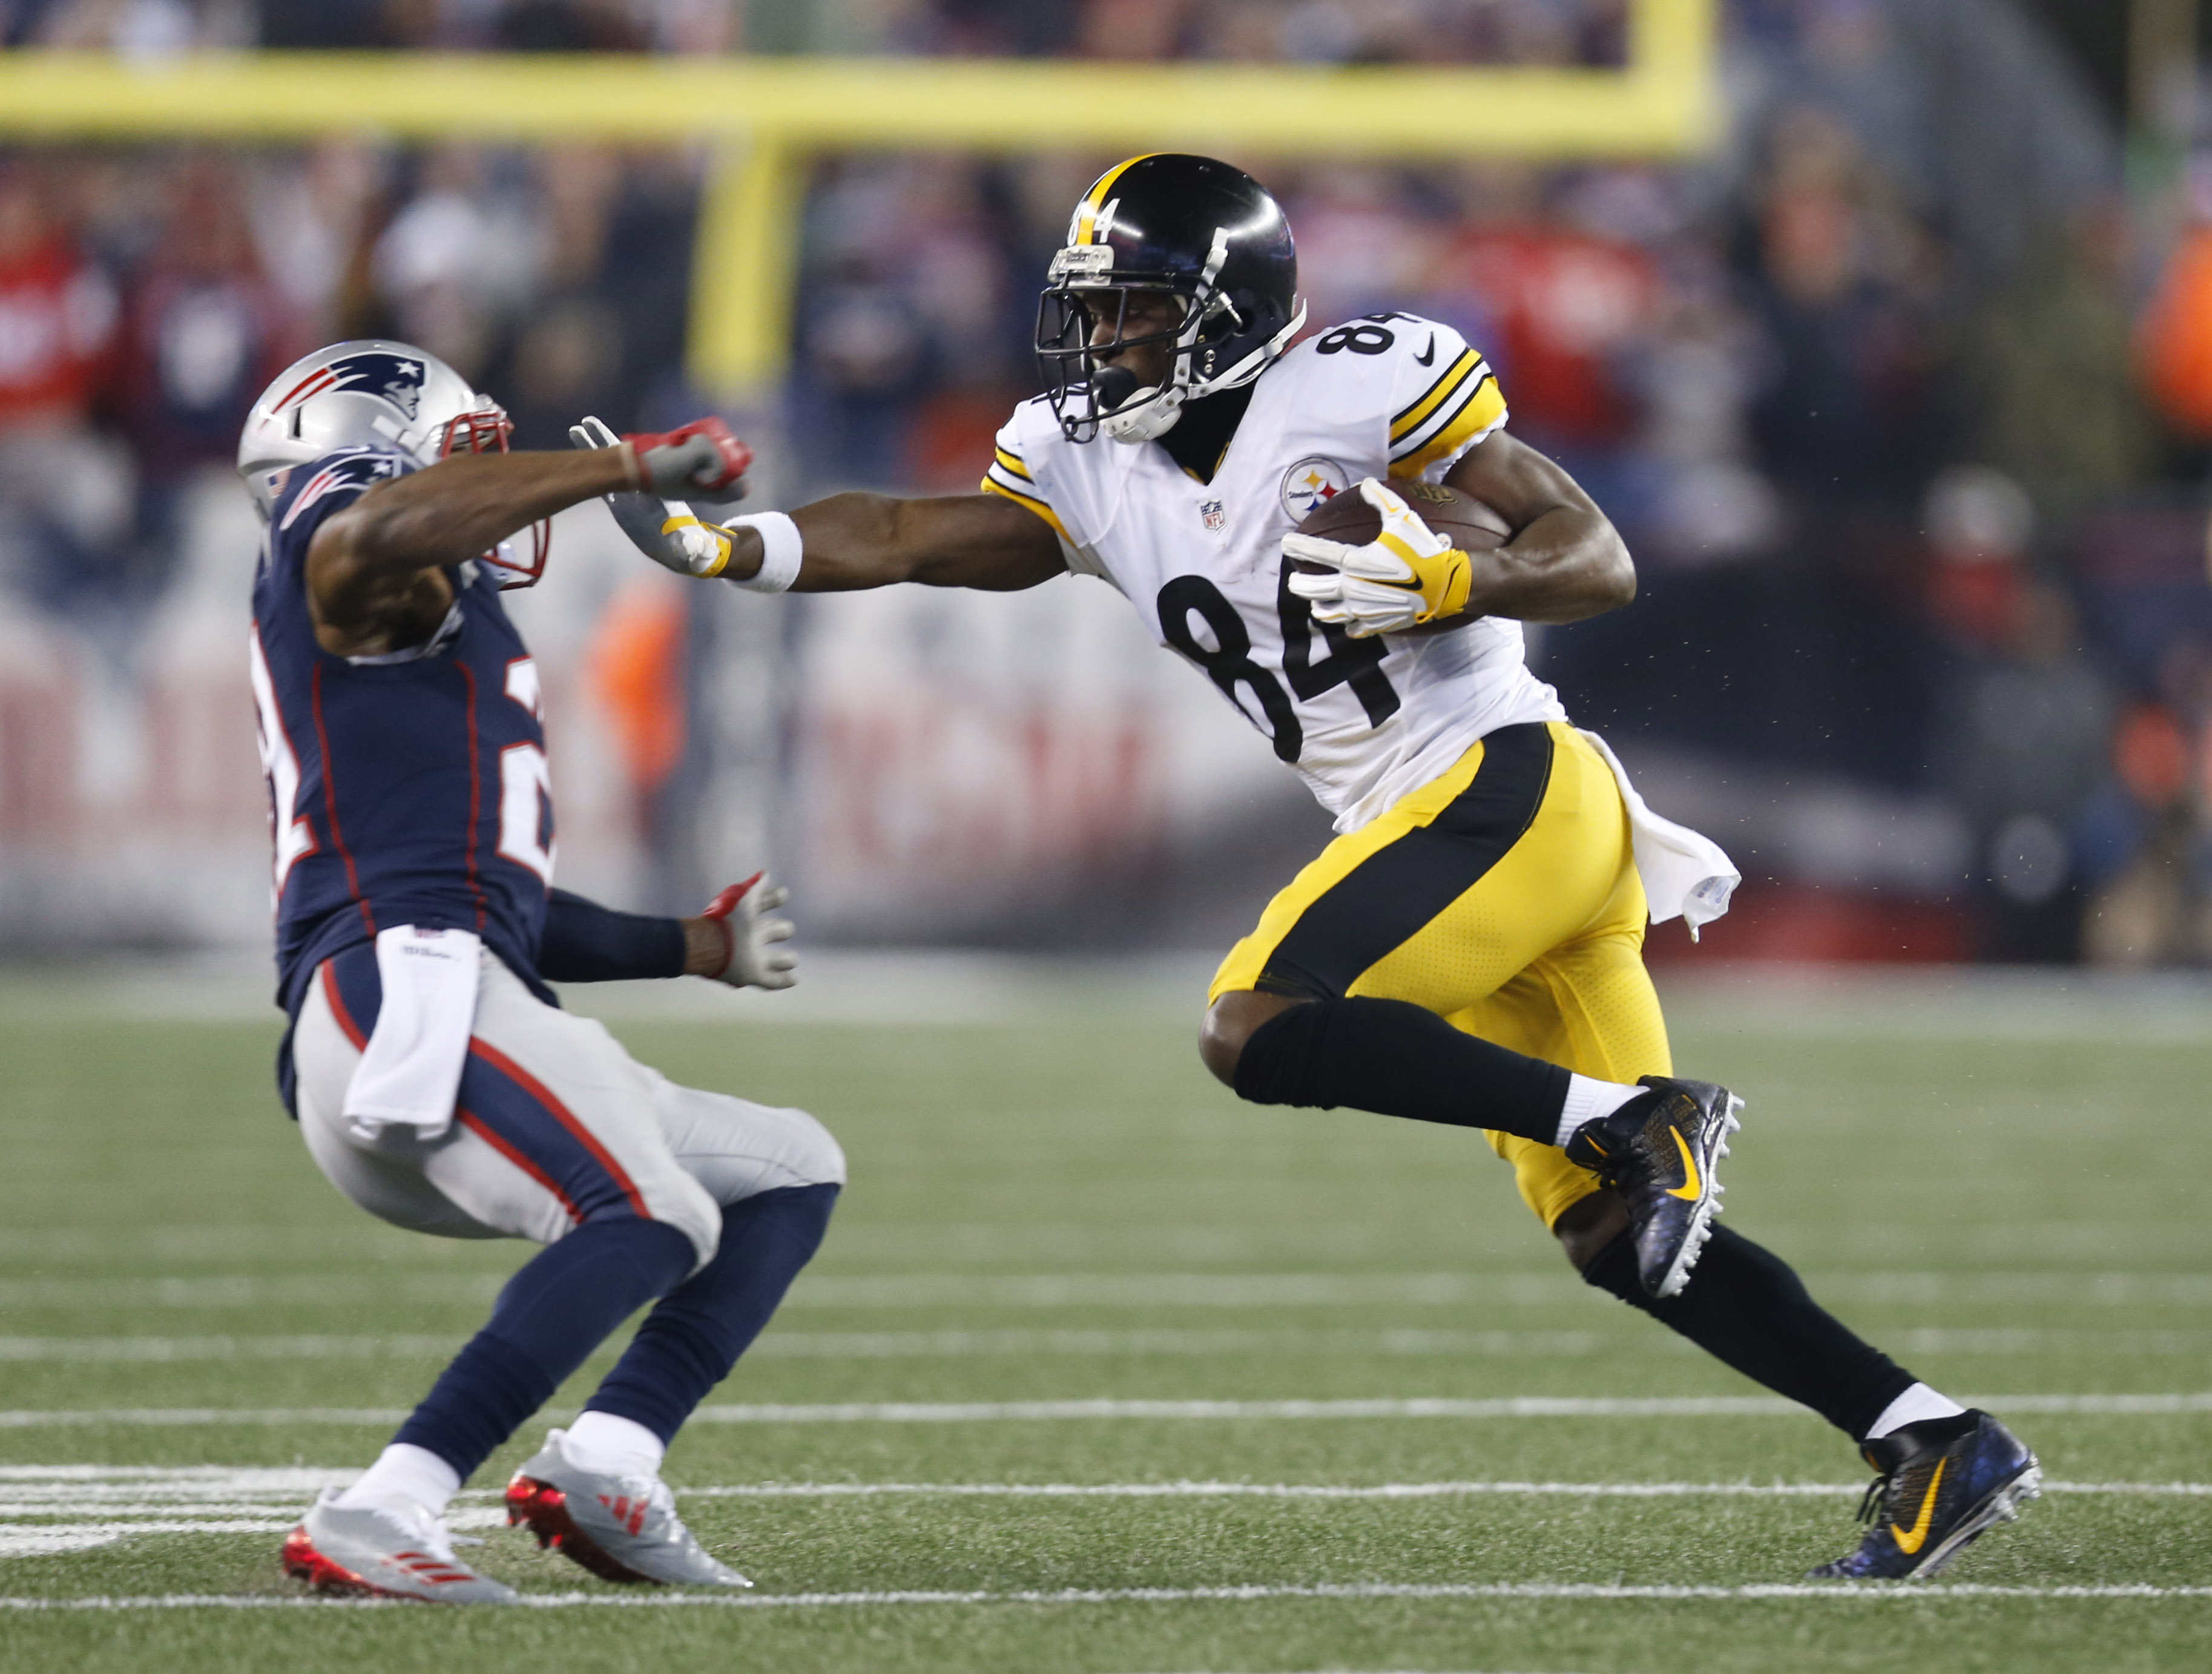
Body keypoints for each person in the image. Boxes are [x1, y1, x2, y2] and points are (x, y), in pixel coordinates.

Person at [596, 156, 2040, 1581]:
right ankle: (1929, 1439)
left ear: (1226, 309)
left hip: (1503, 790)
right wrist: (728, 543)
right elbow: (907, 531)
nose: (1106, 343)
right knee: (1619, 1236)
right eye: (1094, 314)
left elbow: (1594, 555)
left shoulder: (1359, 386)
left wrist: (1454, 576)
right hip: (1463, 841)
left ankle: (1639, 1115)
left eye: (1135, 312)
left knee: (1255, 1022)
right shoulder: (1084, 463)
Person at [240, 340, 843, 1603]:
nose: (498, 489)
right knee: (653, 1214)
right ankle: (385, 1506)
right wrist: (614, 465)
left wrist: (691, 947)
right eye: (469, 459)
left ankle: (608, 1465)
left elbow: (496, 897)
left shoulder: (426, 624)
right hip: (404, 993)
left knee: (787, 1170)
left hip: (443, 985)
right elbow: (365, 538)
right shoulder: (347, 550)